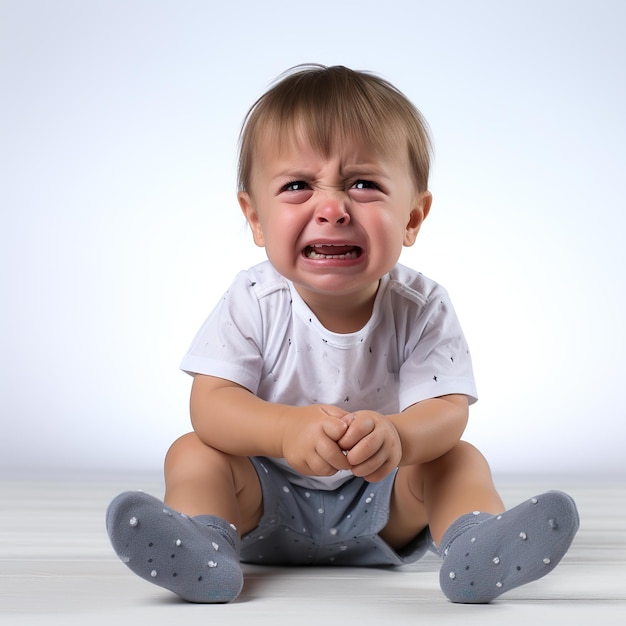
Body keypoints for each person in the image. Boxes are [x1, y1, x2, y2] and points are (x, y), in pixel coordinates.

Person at [106, 64, 579, 605]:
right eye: (297, 186)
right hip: (258, 503)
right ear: (255, 217)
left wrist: (400, 436)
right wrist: (283, 432)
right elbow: (210, 404)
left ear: (412, 218)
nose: (331, 209)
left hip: (383, 503)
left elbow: (448, 408)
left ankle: (472, 543)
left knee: (457, 458)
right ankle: (202, 544)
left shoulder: (421, 307)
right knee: (192, 453)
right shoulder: (253, 300)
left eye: (363, 184)